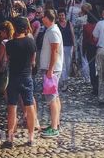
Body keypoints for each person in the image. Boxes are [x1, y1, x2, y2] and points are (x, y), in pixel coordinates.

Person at [4, 16, 38, 147]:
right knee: (29, 107)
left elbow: (7, 60)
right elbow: (33, 62)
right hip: (27, 77)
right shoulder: (31, 43)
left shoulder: (9, 44)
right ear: (26, 28)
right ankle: (30, 139)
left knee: (12, 108)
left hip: (13, 78)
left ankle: (10, 139)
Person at [38, 8, 64, 138]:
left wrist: (50, 70)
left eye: (43, 17)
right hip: (51, 68)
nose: (41, 19)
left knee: (51, 98)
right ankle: (56, 123)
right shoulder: (51, 30)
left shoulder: (53, 32)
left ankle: (54, 128)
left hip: (52, 69)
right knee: (55, 96)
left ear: (47, 18)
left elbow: (55, 51)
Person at [81, 4, 99, 94]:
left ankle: (94, 85)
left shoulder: (86, 27)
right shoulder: (99, 26)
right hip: (98, 47)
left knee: (91, 67)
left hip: (90, 47)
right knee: (99, 66)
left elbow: (84, 39)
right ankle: (99, 83)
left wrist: (83, 50)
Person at [57, 12, 75, 90]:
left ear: (65, 15)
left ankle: (65, 79)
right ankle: (64, 82)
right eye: (60, 15)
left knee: (67, 64)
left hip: (69, 46)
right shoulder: (56, 24)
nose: (61, 17)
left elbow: (72, 34)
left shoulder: (69, 23)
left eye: (63, 15)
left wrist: (74, 45)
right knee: (62, 64)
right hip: (60, 46)